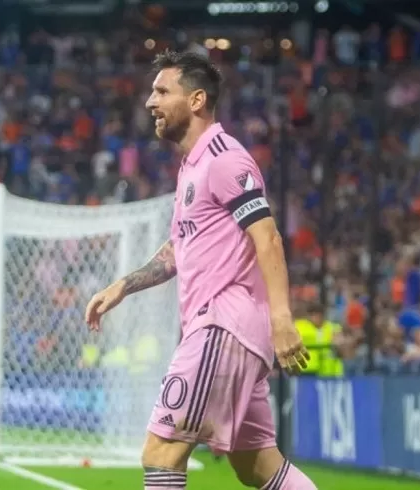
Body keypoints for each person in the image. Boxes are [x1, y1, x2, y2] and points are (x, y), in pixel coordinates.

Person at [84, 50, 315, 490]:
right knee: (257, 466)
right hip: (226, 330)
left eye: (162, 91)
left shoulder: (225, 159)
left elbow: (267, 237)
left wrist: (283, 319)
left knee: (161, 452)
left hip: (223, 325)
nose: (150, 101)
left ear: (196, 100)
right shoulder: (192, 166)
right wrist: (123, 286)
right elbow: (178, 249)